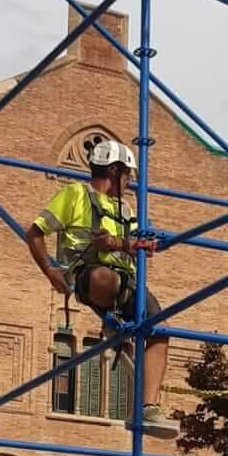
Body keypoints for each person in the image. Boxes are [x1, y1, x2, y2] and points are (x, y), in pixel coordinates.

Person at [25, 138, 178, 440]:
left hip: (127, 281)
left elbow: (136, 248)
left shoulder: (127, 209)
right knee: (104, 279)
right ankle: (116, 326)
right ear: (115, 170)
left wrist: (127, 243)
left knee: (160, 330)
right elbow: (35, 233)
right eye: (128, 175)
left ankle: (147, 407)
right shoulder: (75, 195)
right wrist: (50, 270)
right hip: (90, 275)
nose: (130, 182)